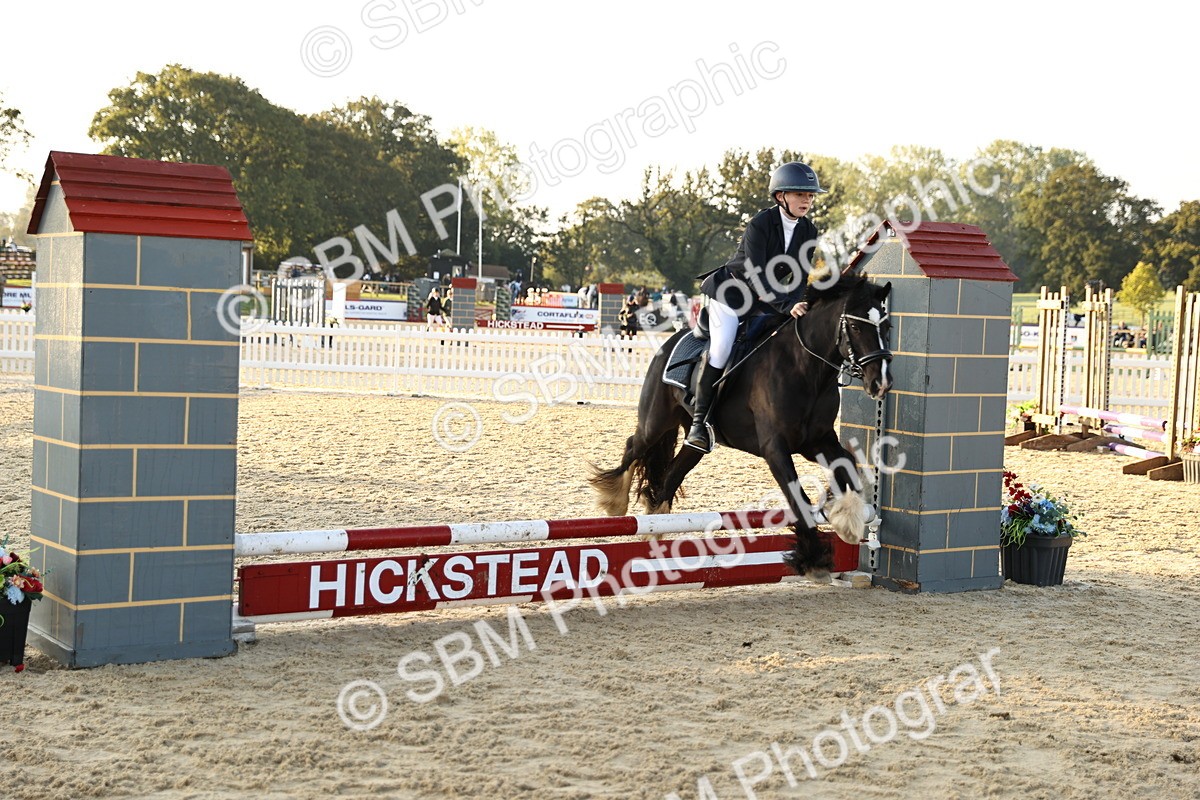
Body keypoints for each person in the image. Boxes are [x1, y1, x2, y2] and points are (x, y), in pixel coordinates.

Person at [684, 161, 825, 451]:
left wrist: (797, 303)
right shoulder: (760, 224)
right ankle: (699, 423)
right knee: (722, 347)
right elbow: (758, 274)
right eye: (800, 194)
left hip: (768, 296)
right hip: (732, 294)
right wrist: (786, 305)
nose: (807, 200)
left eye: (810, 195)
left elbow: (799, 274)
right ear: (780, 196)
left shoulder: (808, 230)